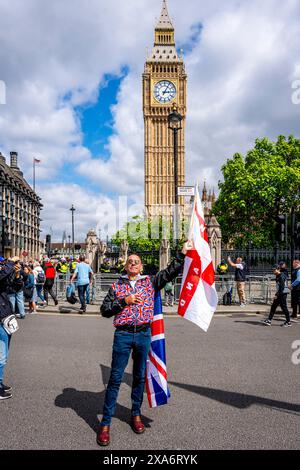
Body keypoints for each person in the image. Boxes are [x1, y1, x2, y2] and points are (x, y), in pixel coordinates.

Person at [97, 242, 189, 447]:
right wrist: (124, 301)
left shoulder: (150, 282)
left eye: (136, 262)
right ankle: (105, 424)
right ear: (126, 266)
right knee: (115, 379)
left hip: (143, 335)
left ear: (141, 267)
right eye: (130, 262)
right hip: (123, 334)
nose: (133, 264)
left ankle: (135, 414)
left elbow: (170, 272)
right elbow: (104, 310)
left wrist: (182, 254)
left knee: (139, 377)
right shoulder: (117, 286)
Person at [0, 257, 20, 400]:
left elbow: (14, 288)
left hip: (6, 318)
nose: (2, 266)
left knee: (4, 353)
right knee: (1, 357)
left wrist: (17, 275)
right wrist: (11, 262)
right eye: (1, 263)